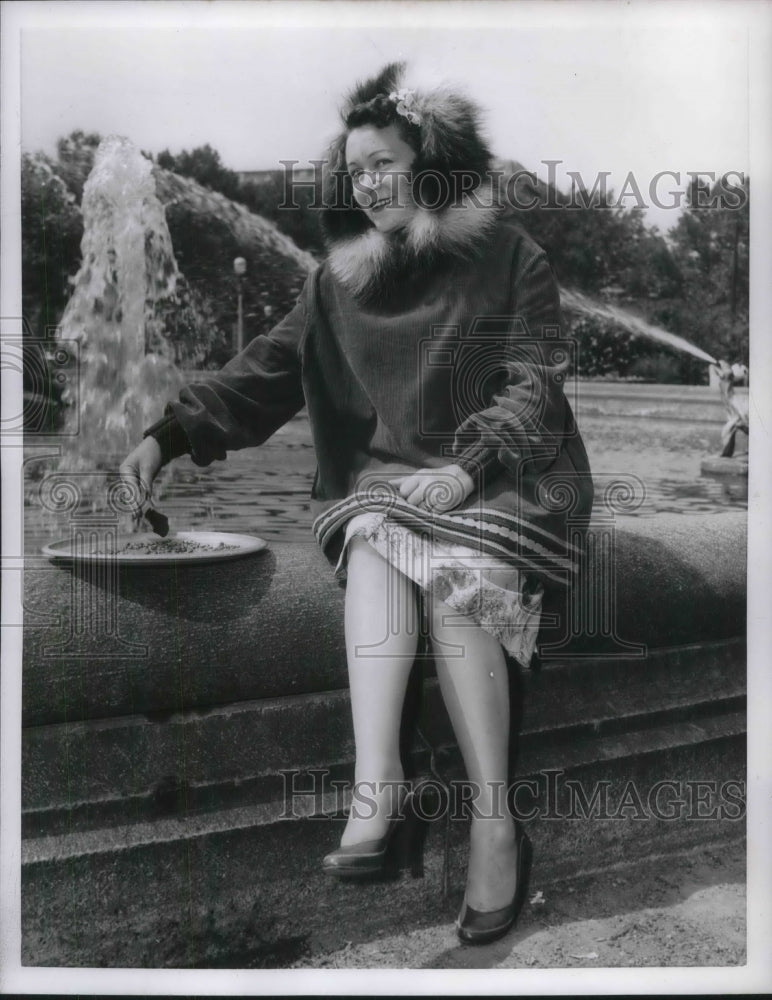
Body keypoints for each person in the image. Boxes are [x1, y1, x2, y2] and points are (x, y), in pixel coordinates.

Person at [120, 62, 593, 946]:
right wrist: (167, 438)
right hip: (394, 492)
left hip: (508, 479)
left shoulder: (511, 256)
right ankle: (379, 788)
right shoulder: (335, 282)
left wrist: (462, 471)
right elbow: (260, 375)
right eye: (353, 168)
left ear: (433, 159)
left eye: (382, 162)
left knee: (450, 576)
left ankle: (494, 823)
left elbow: (536, 386)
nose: (363, 181)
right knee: (376, 529)